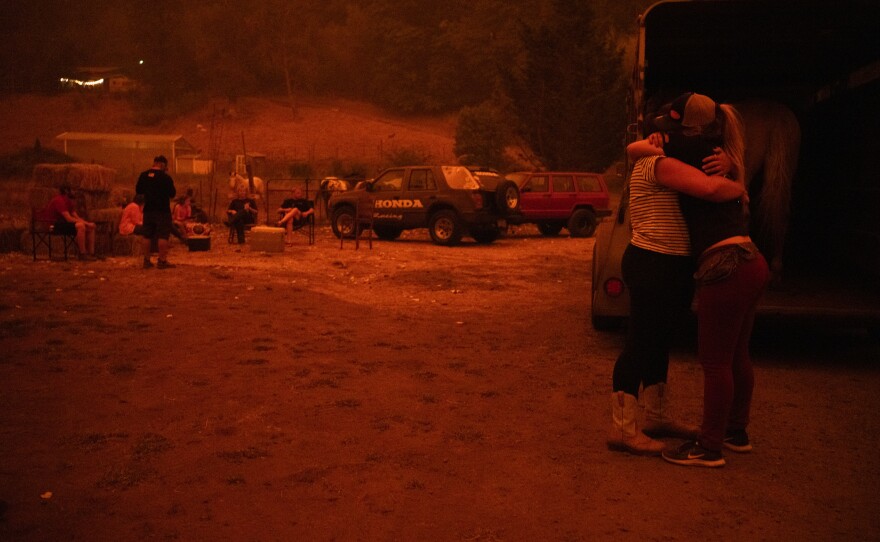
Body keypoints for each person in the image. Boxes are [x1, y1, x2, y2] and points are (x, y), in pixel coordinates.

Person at [629, 92, 770, 468]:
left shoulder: (684, 147)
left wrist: (657, 138)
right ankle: (736, 433)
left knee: (715, 362)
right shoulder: (724, 150)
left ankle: (709, 447)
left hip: (723, 264)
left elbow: (633, 148)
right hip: (752, 260)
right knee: (739, 354)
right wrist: (738, 177)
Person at [136, 155, 177, 269]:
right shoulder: (166, 178)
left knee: (147, 235)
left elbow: (138, 190)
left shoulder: (144, 175)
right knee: (163, 235)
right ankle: (162, 261)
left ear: (154, 163)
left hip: (148, 210)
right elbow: (172, 194)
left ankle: (146, 260)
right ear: (163, 165)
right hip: (162, 210)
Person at [42, 182, 97, 260]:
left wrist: (88, 224)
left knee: (90, 227)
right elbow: (69, 219)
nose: (74, 192)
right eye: (72, 190)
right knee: (80, 226)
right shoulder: (59, 200)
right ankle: (82, 254)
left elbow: (76, 217)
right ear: (66, 191)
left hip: (63, 224)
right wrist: (86, 223)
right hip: (54, 225)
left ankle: (91, 254)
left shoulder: (68, 201)